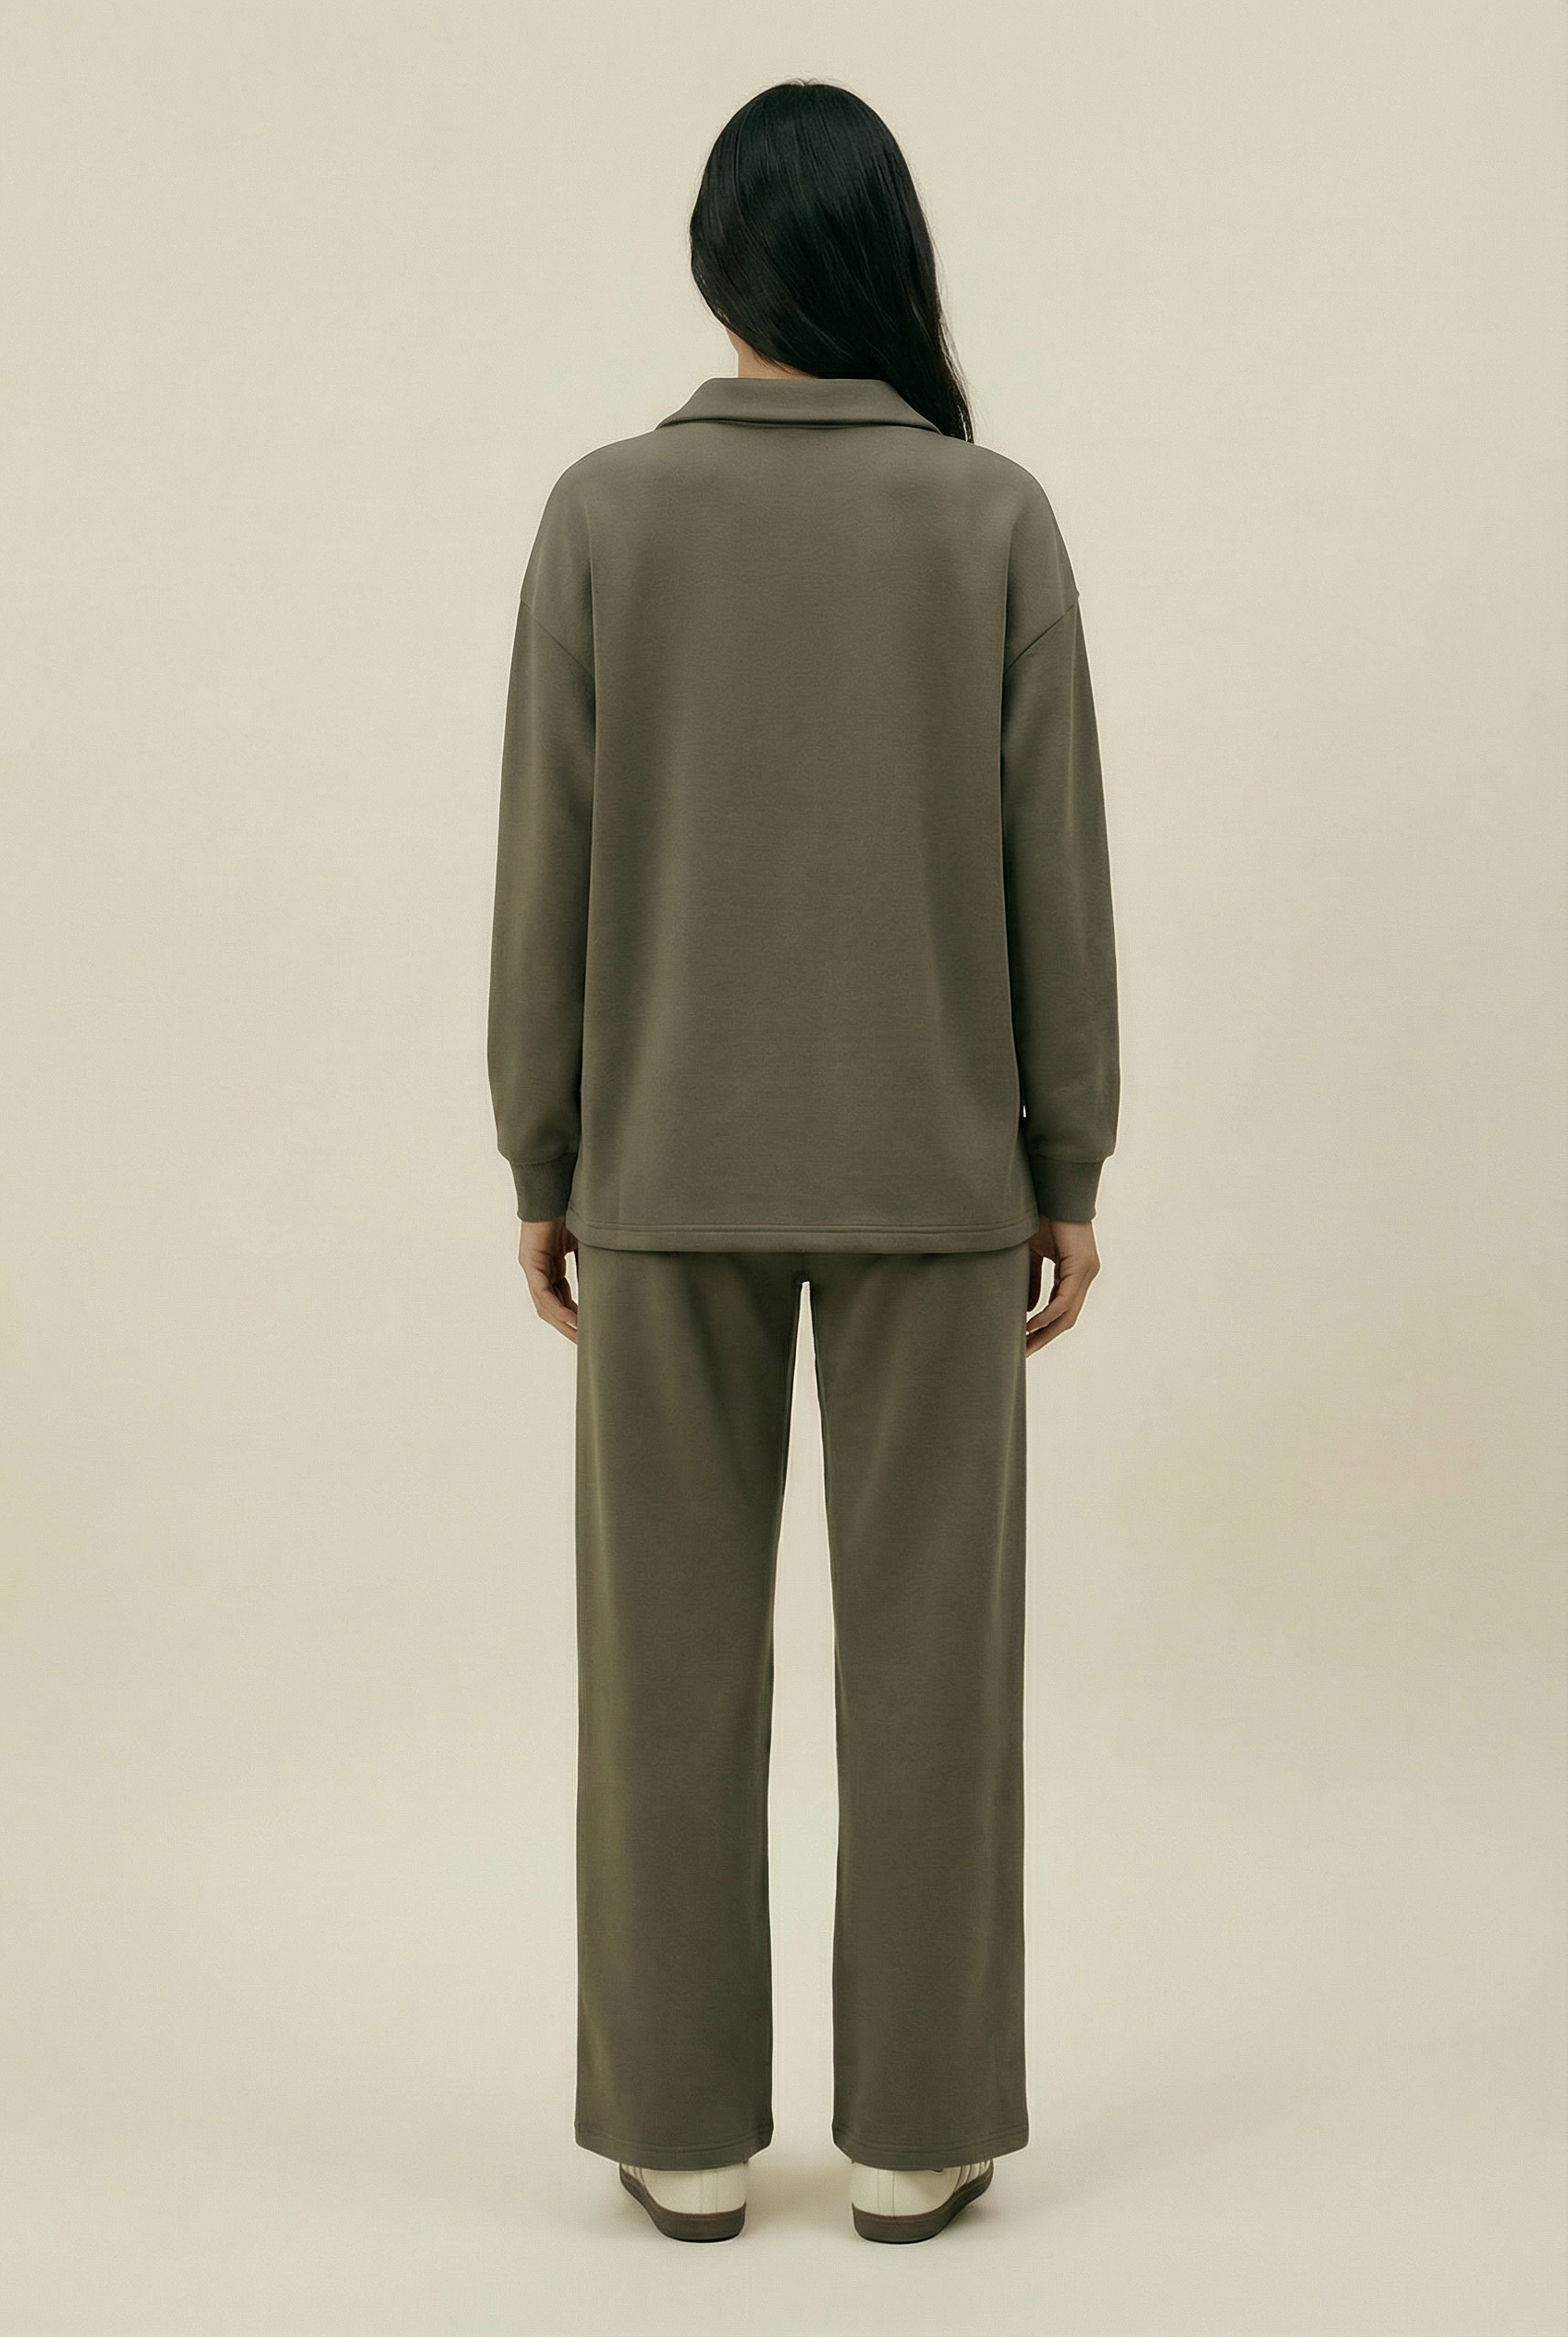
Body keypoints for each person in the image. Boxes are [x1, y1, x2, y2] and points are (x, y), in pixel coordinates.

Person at [486, 79, 1119, 2245]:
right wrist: (1066, 1159)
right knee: (933, 1668)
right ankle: (918, 2125)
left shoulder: (601, 515)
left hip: (661, 1160)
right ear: (882, 261)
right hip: (937, 1171)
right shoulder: (986, 515)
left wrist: (542, 1150)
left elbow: (546, 864)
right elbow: (1053, 869)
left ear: (713, 265)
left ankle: (676, 2123)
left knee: (662, 1666)